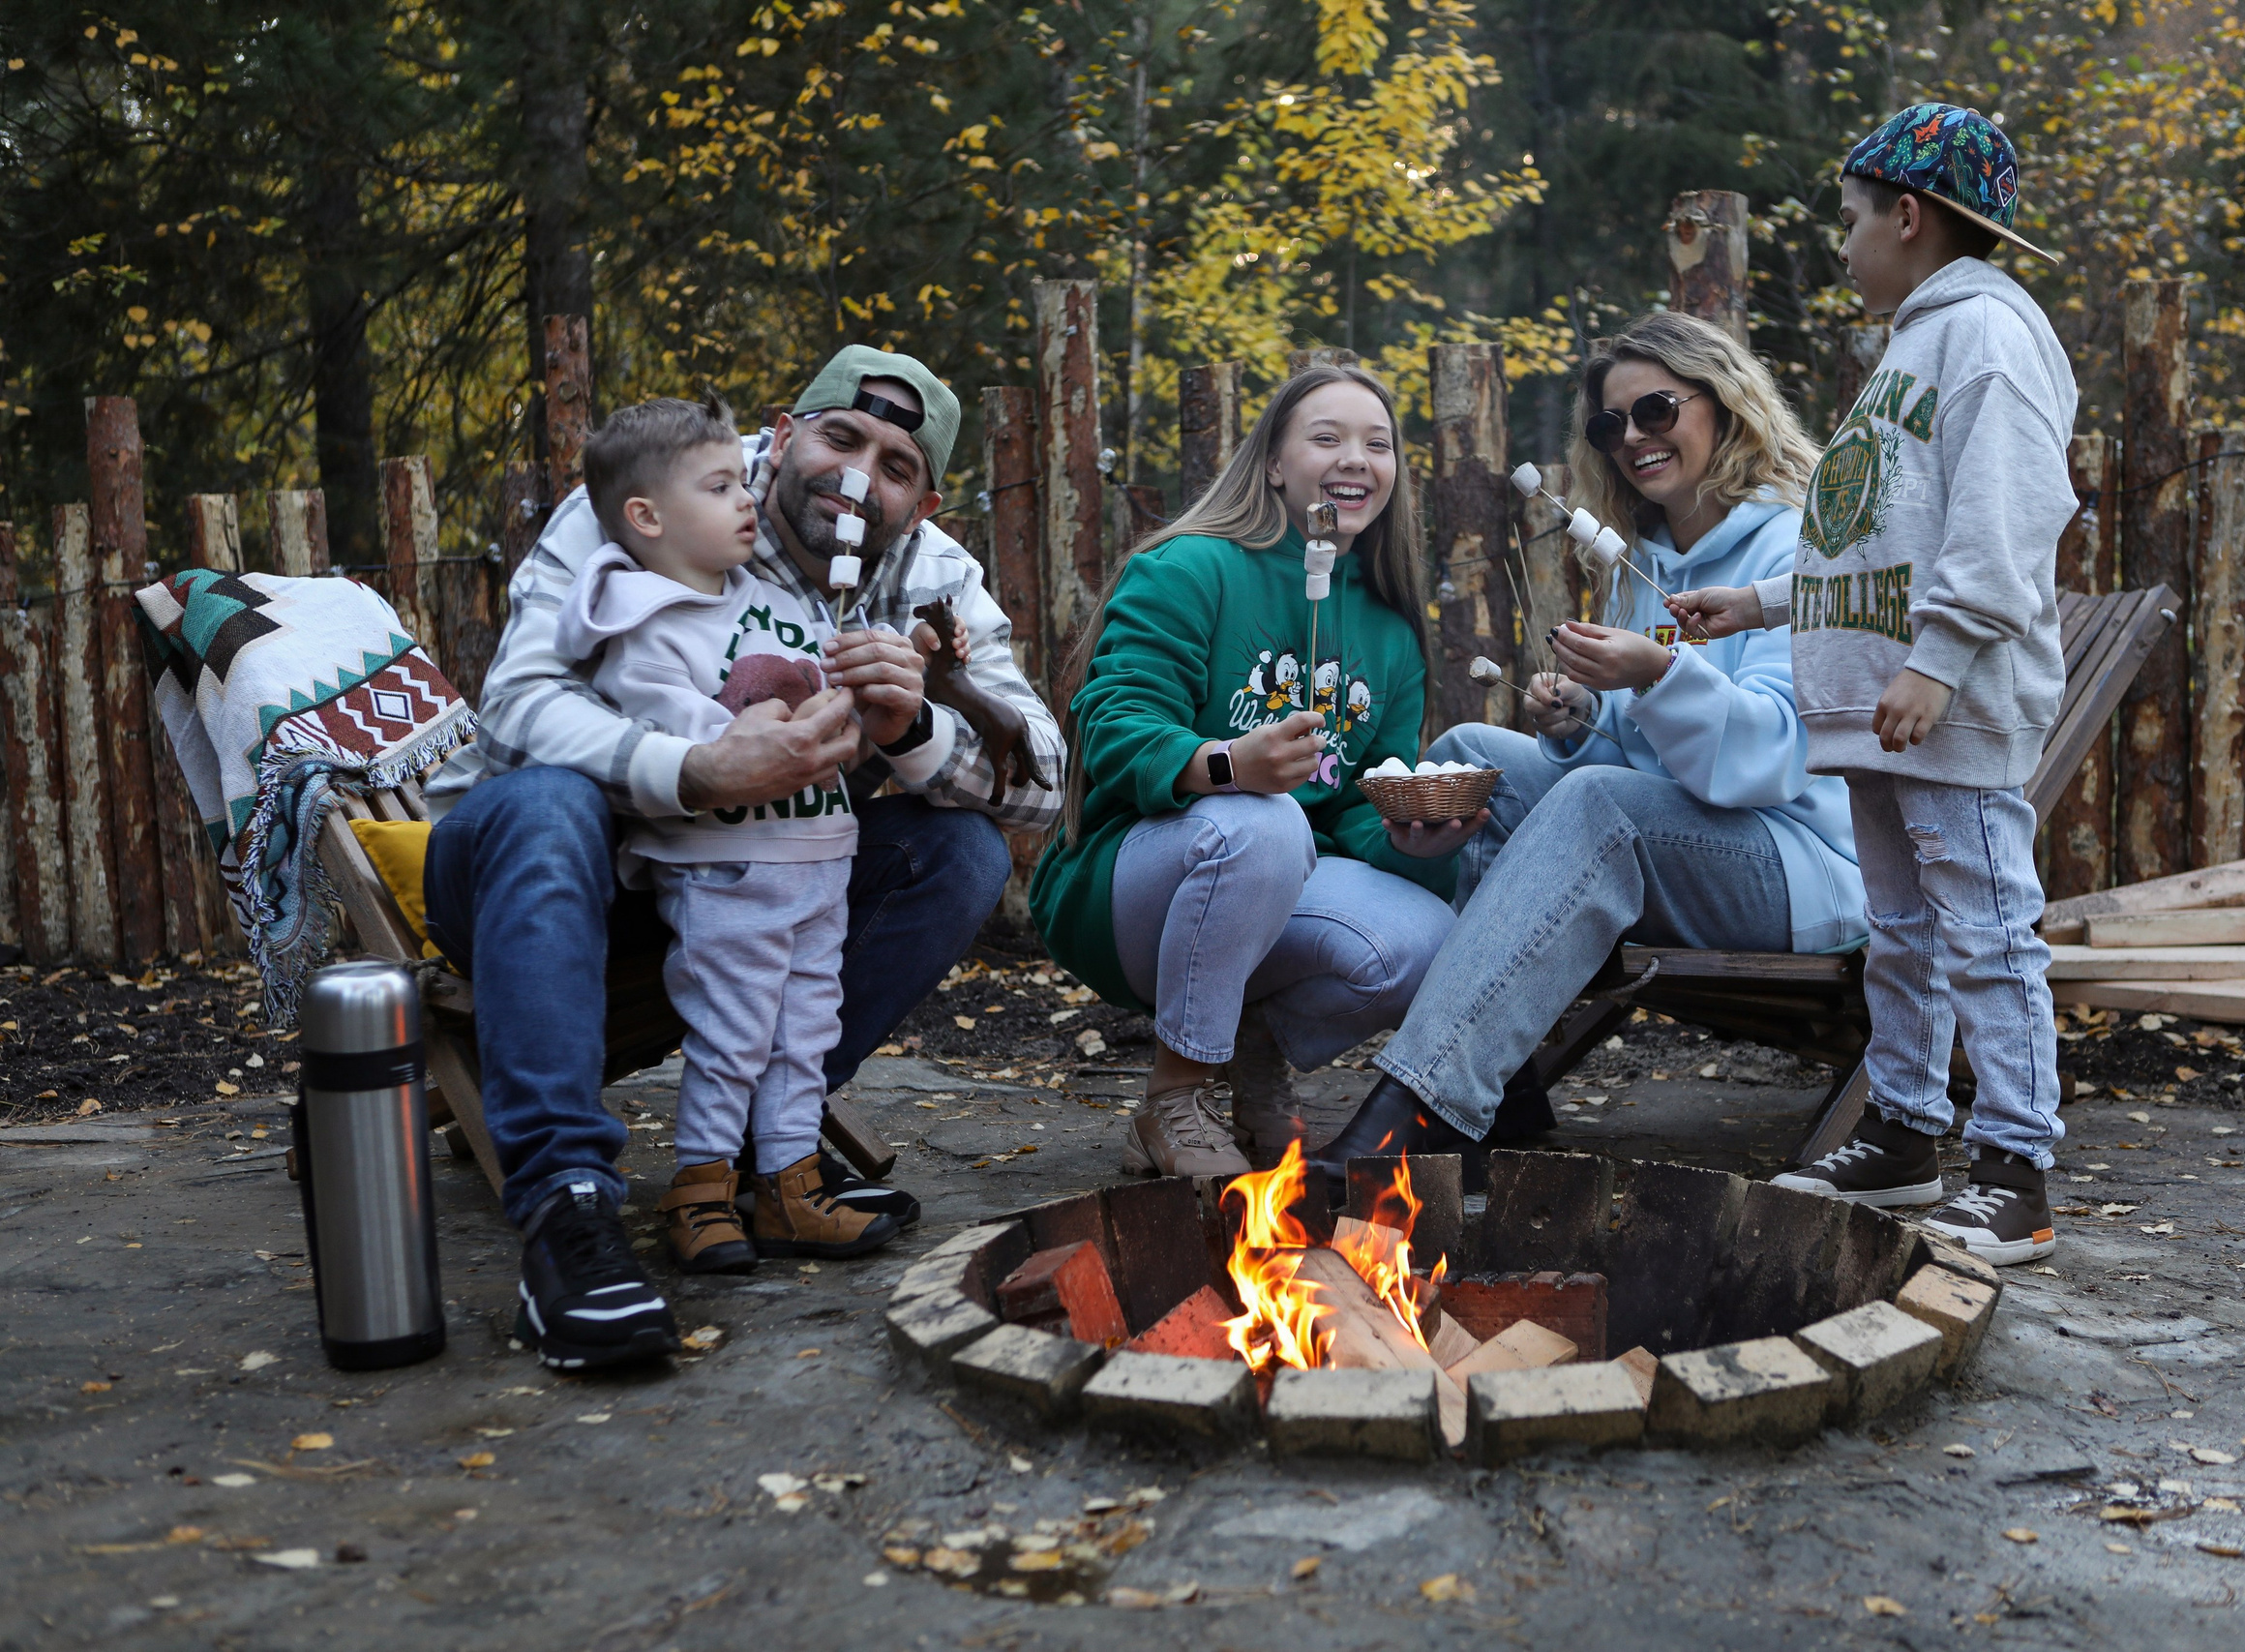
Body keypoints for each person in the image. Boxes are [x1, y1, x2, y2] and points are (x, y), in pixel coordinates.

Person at [424, 345, 1063, 1368]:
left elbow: (1044, 783)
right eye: (840, 437)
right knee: (547, 801)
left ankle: (777, 1154)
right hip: (551, 881)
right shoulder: (654, 490)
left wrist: (915, 728)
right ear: (785, 431)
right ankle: (565, 1210)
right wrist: (696, 769)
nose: (857, 477)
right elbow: (519, 708)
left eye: (896, 467)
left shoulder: (929, 576)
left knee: (958, 852)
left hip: (754, 898)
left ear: (924, 504)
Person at [1306, 313, 1866, 1186]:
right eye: (1610, 424)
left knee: (1596, 804)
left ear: (1723, 404)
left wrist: (1657, 674)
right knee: (1470, 754)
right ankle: (1507, 1089)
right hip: (1690, 839)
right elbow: (1645, 756)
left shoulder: (1795, 546)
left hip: (1800, 861)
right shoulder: (1645, 557)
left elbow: (1774, 758)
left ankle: (1420, 1109)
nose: (1632, 437)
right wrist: (1582, 720)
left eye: (1655, 409)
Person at [1670, 103, 2077, 1266]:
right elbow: (1874, 534)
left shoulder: (1987, 335)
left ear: (1907, 216)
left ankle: (2015, 1172)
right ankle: (1902, 1130)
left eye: (1850, 221)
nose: (1842, 245)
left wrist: (1937, 661)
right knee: (1900, 932)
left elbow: (2007, 518)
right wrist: (1760, 603)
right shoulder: (1912, 344)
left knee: (1986, 931)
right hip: (1879, 712)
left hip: (1947, 704)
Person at [1030, 366, 1473, 1178]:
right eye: (1327, 437)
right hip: (1131, 878)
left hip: (1274, 880)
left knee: (1426, 939)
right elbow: (1113, 725)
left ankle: (1251, 1038)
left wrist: (1410, 838)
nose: (1356, 458)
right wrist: (1231, 763)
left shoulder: (1391, 630)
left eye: (1378, 444)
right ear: (1272, 463)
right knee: (1264, 820)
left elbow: (1357, 805)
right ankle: (1174, 1097)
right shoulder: (1191, 567)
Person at [555, 391, 898, 1279]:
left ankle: (790, 1185)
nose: (746, 496)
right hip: (730, 872)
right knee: (734, 1035)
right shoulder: (641, 622)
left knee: (804, 1037)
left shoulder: (780, 600)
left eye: (739, 482)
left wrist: (870, 693)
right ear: (648, 517)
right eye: (717, 487)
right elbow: (684, 743)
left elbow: (831, 713)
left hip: (818, 865)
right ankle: (699, 1190)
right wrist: (764, 728)